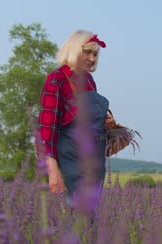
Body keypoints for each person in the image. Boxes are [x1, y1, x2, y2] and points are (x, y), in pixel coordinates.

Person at [37, 30, 110, 202]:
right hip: (71, 159)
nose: (92, 59)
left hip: (94, 159)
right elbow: (47, 129)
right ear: (74, 49)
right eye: (87, 52)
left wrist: (107, 123)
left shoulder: (90, 81)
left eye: (95, 54)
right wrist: (52, 169)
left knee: (91, 214)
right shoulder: (57, 79)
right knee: (75, 213)